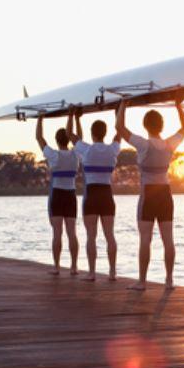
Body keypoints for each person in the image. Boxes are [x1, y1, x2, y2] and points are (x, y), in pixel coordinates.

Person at [115, 97, 184, 291]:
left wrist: (123, 105)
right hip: (165, 194)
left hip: (148, 195)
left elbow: (120, 128)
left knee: (145, 239)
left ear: (145, 126)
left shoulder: (143, 144)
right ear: (161, 126)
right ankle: (169, 280)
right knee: (168, 239)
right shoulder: (169, 144)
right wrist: (178, 106)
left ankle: (142, 281)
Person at [66, 106, 122, 282]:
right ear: (104, 133)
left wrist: (72, 115)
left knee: (91, 235)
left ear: (92, 134)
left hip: (91, 194)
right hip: (106, 194)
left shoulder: (86, 150)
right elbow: (119, 131)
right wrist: (118, 112)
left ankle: (92, 273)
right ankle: (112, 272)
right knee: (109, 235)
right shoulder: (112, 149)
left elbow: (69, 134)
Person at [35, 114, 80, 276]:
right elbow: (79, 139)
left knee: (57, 233)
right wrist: (75, 118)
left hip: (57, 195)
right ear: (68, 140)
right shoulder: (76, 155)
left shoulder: (53, 155)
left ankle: (57, 266)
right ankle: (74, 267)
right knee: (71, 232)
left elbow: (39, 138)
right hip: (71, 195)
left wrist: (40, 118)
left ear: (56, 140)